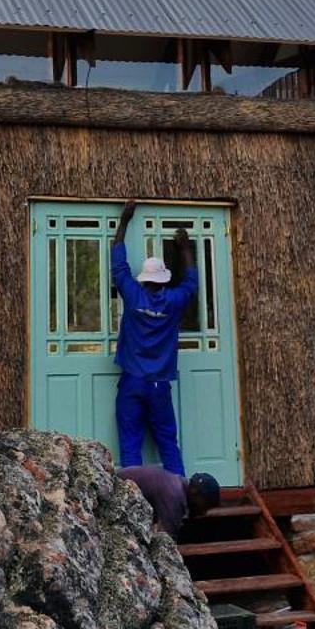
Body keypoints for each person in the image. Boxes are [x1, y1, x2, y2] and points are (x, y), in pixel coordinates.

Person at [111, 199, 200, 474]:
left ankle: (134, 503)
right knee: (167, 442)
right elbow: (192, 282)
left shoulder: (134, 294)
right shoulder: (174, 301)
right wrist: (186, 249)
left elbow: (118, 263)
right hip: (160, 384)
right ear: (163, 279)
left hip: (133, 381)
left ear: (144, 278)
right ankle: (181, 498)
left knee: (130, 442)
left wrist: (124, 221)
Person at [119, 465, 221, 538]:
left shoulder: (177, 483)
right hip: (115, 495)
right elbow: (165, 543)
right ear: (195, 492)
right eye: (206, 505)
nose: (204, 512)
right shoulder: (174, 496)